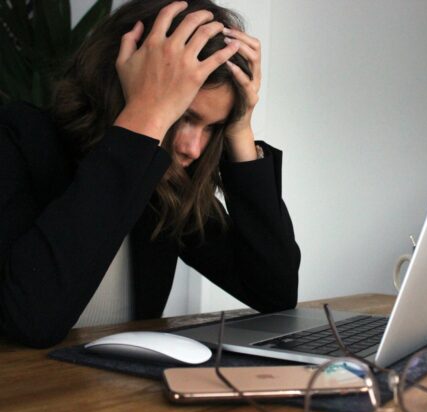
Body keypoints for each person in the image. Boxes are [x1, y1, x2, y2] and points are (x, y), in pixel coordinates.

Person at [0, 0, 300, 348]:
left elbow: (274, 291)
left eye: (212, 127)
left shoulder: (164, 183)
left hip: (119, 398)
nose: (193, 149)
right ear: (121, 83)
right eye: (184, 116)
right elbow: (31, 321)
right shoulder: (18, 139)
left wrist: (240, 130)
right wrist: (145, 117)